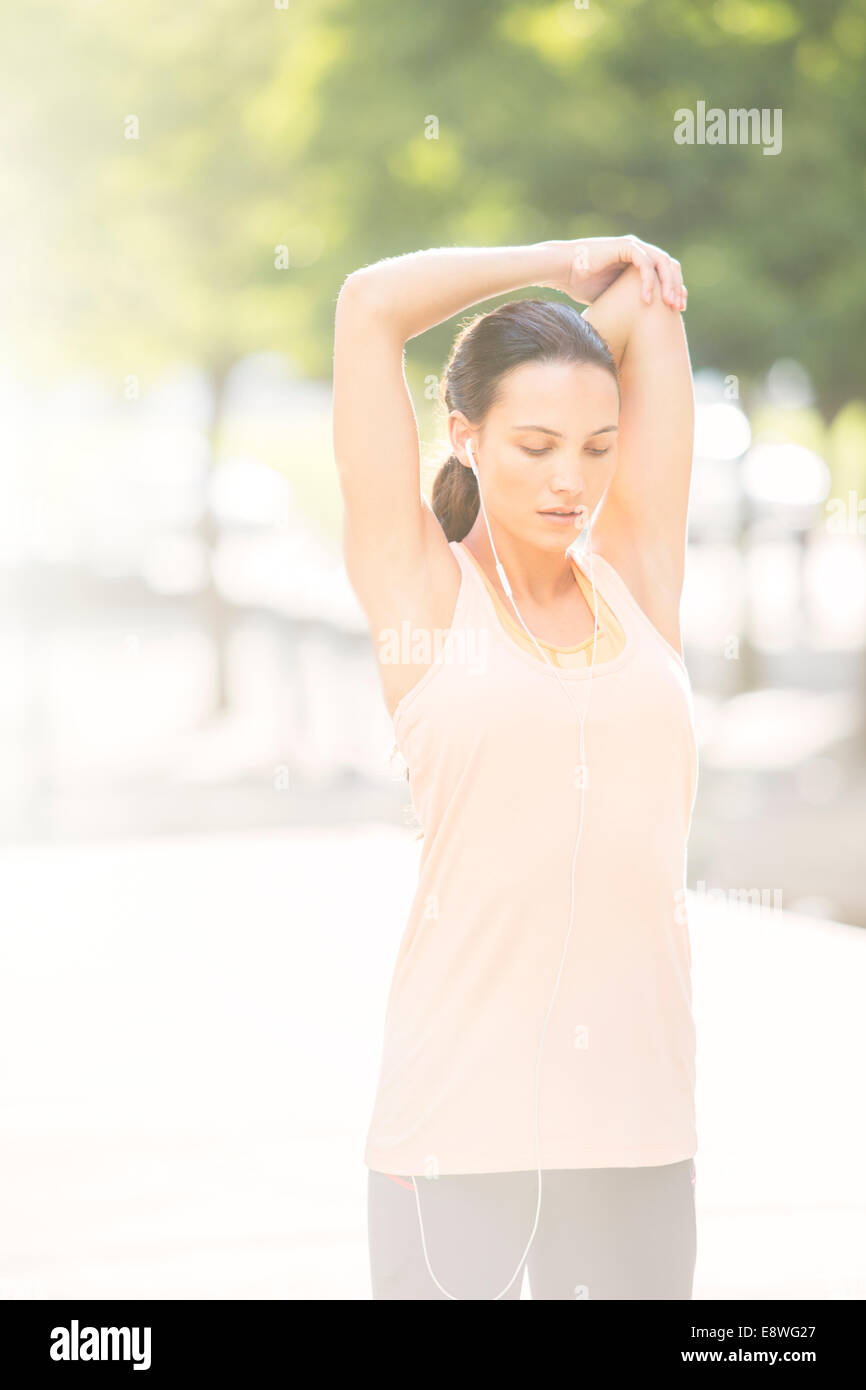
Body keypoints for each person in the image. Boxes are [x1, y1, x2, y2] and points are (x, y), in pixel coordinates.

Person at [332, 234, 699, 1300]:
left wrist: (608, 288)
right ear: (464, 435)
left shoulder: (637, 576)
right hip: (456, 1128)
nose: (569, 479)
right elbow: (368, 304)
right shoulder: (421, 594)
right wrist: (555, 260)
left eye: (596, 446)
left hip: (637, 1121)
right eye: (534, 443)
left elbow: (643, 301)